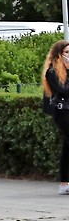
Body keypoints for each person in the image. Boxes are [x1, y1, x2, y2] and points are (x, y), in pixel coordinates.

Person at [43, 39, 69, 194]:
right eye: (66, 52)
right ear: (58, 54)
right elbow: (64, 90)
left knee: (67, 147)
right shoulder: (52, 71)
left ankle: (65, 183)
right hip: (62, 111)